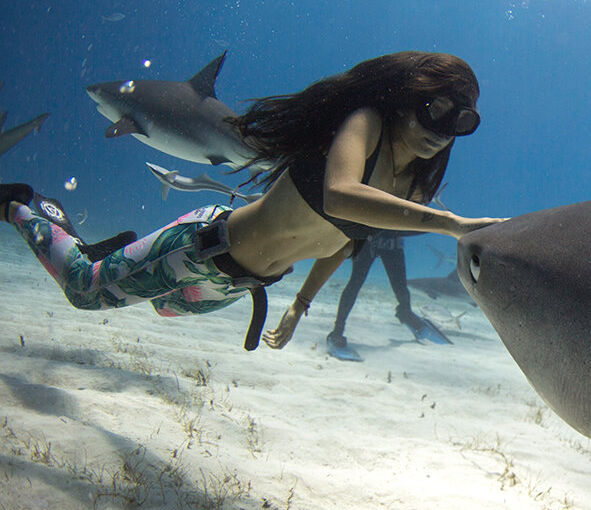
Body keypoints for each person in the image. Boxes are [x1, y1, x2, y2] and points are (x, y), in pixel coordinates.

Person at [1, 51, 500, 350]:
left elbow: (343, 243)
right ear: (405, 96)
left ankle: (119, 252)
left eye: (461, 121)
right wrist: (450, 223)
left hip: (239, 285)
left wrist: (300, 305)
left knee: (164, 309)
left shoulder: (411, 187)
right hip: (203, 247)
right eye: (435, 109)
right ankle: (26, 206)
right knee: (86, 292)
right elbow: (340, 197)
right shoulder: (365, 124)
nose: (442, 130)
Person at [324, 229, 451, 362]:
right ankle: (338, 330)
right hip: (367, 240)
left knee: (400, 286)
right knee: (355, 284)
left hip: (393, 241)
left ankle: (406, 312)